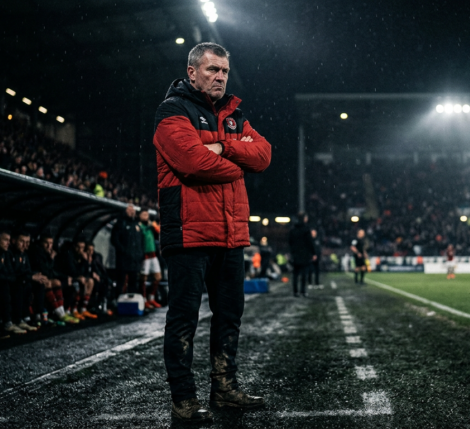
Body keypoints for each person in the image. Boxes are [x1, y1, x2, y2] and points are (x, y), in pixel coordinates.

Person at [153, 42, 271, 422]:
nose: (219, 77)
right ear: (192, 72)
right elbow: (192, 162)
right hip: (188, 232)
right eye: (211, 70)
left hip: (230, 234)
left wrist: (222, 147)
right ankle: (183, 399)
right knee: (185, 317)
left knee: (229, 315)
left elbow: (264, 155)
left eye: (223, 71)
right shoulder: (172, 110)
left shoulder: (234, 116)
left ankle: (224, 389)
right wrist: (238, 157)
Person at [30, 235, 78, 324]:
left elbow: (52, 271)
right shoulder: (37, 253)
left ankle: (62, 312)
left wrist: (65, 277)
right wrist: (51, 259)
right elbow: (45, 270)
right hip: (35, 280)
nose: (49, 246)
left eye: (51, 243)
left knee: (57, 282)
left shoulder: (48, 253)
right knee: (48, 283)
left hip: (46, 278)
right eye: (46, 243)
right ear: (41, 243)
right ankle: (60, 314)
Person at [9, 231, 46, 330]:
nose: (25, 245)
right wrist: (30, 277)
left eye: (27, 242)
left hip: (21, 281)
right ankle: (19, 319)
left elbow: (27, 271)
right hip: (10, 283)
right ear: (13, 241)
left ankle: (37, 315)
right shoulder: (9, 254)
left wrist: (35, 275)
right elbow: (12, 274)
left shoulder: (24, 255)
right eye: (22, 241)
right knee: (21, 285)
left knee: (39, 283)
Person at [55, 239, 97, 320]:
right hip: (66, 277)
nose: (80, 250)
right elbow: (73, 272)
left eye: (82, 248)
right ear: (74, 246)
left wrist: (86, 262)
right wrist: (84, 262)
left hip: (74, 277)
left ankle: (83, 309)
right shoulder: (69, 255)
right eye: (78, 247)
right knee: (77, 283)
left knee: (90, 281)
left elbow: (84, 273)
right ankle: (72, 309)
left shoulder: (82, 256)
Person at [111, 204, 144, 296]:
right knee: (121, 281)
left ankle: (132, 304)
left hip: (135, 260)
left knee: (133, 282)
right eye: (129, 210)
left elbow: (141, 241)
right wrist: (124, 251)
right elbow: (114, 240)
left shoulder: (137, 225)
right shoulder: (120, 223)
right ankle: (118, 302)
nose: (132, 212)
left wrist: (140, 254)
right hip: (123, 259)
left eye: (133, 210)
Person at [138, 208, 162, 308]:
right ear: (139, 216)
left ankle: (151, 297)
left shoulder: (151, 225)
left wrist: (153, 225)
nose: (146, 217)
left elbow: (159, 231)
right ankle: (143, 300)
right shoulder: (139, 226)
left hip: (153, 254)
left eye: (147, 215)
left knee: (158, 277)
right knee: (143, 278)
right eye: (144, 215)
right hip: (145, 256)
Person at [289, 213, 316, 297]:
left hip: (295, 254)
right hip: (305, 255)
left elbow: (290, 241)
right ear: (304, 219)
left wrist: (292, 251)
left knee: (295, 274)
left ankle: (295, 291)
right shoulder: (306, 229)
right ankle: (303, 291)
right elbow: (310, 242)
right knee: (304, 274)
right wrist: (313, 253)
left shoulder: (293, 229)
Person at [86, 242, 113, 314]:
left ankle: (102, 305)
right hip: (87, 278)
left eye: (92, 250)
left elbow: (100, 269)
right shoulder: (83, 258)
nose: (90, 252)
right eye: (88, 250)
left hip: (97, 277)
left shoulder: (96, 257)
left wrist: (98, 275)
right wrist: (88, 263)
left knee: (105, 282)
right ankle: (92, 306)